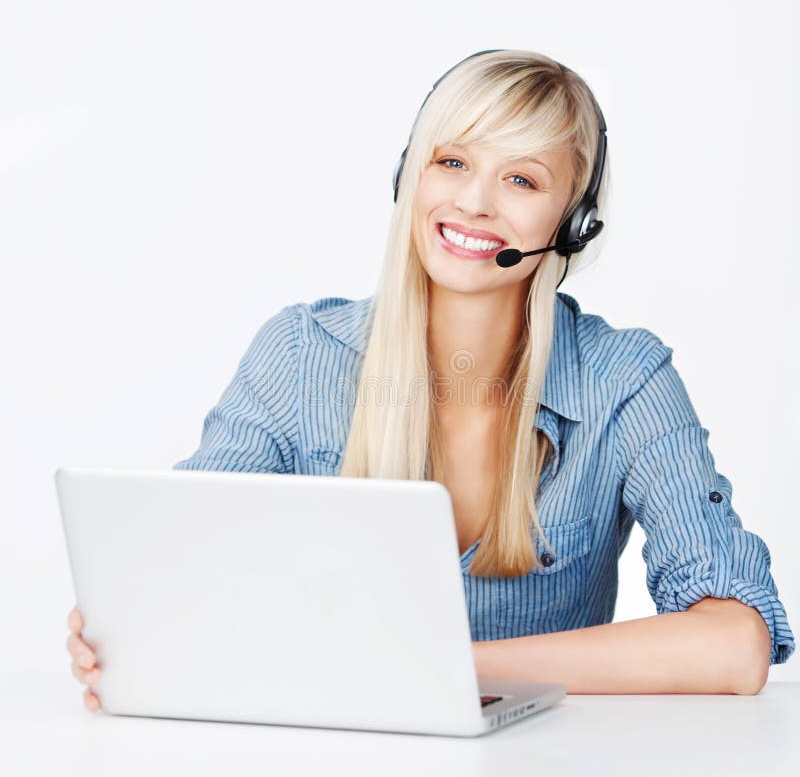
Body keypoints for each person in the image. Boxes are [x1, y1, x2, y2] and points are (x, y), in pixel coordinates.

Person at [66, 49, 795, 711]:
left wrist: (450, 670)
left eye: (520, 178)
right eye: (452, 162)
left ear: (573, 224)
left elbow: (734, 644)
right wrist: (124, 630)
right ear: (408, 175)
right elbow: (174, 573)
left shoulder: (624, 380)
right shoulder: (299, 356)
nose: (475, 202)